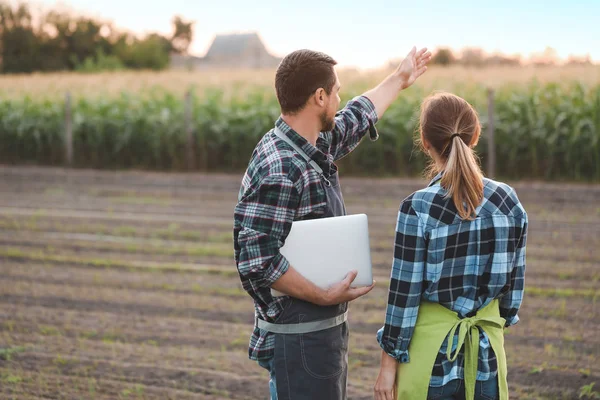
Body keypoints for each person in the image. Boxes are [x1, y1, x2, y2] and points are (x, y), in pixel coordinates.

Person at [233, 46, 431, 400]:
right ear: (319, 96)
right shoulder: (281, 168)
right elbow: (256, 260)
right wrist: (324, 295)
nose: (341, 99)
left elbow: (358, 115)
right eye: (336, 91)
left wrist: (400, 79)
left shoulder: (308, 144)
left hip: (317, 335)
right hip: (301, 339)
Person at [374, 92, 528, 400]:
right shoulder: (507, 201)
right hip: (486, 358)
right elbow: (512, 296)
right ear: (474, 136)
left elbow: (403, 296)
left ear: (425, 141)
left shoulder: (418, 208)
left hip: (430, 362)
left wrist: (388, 365)